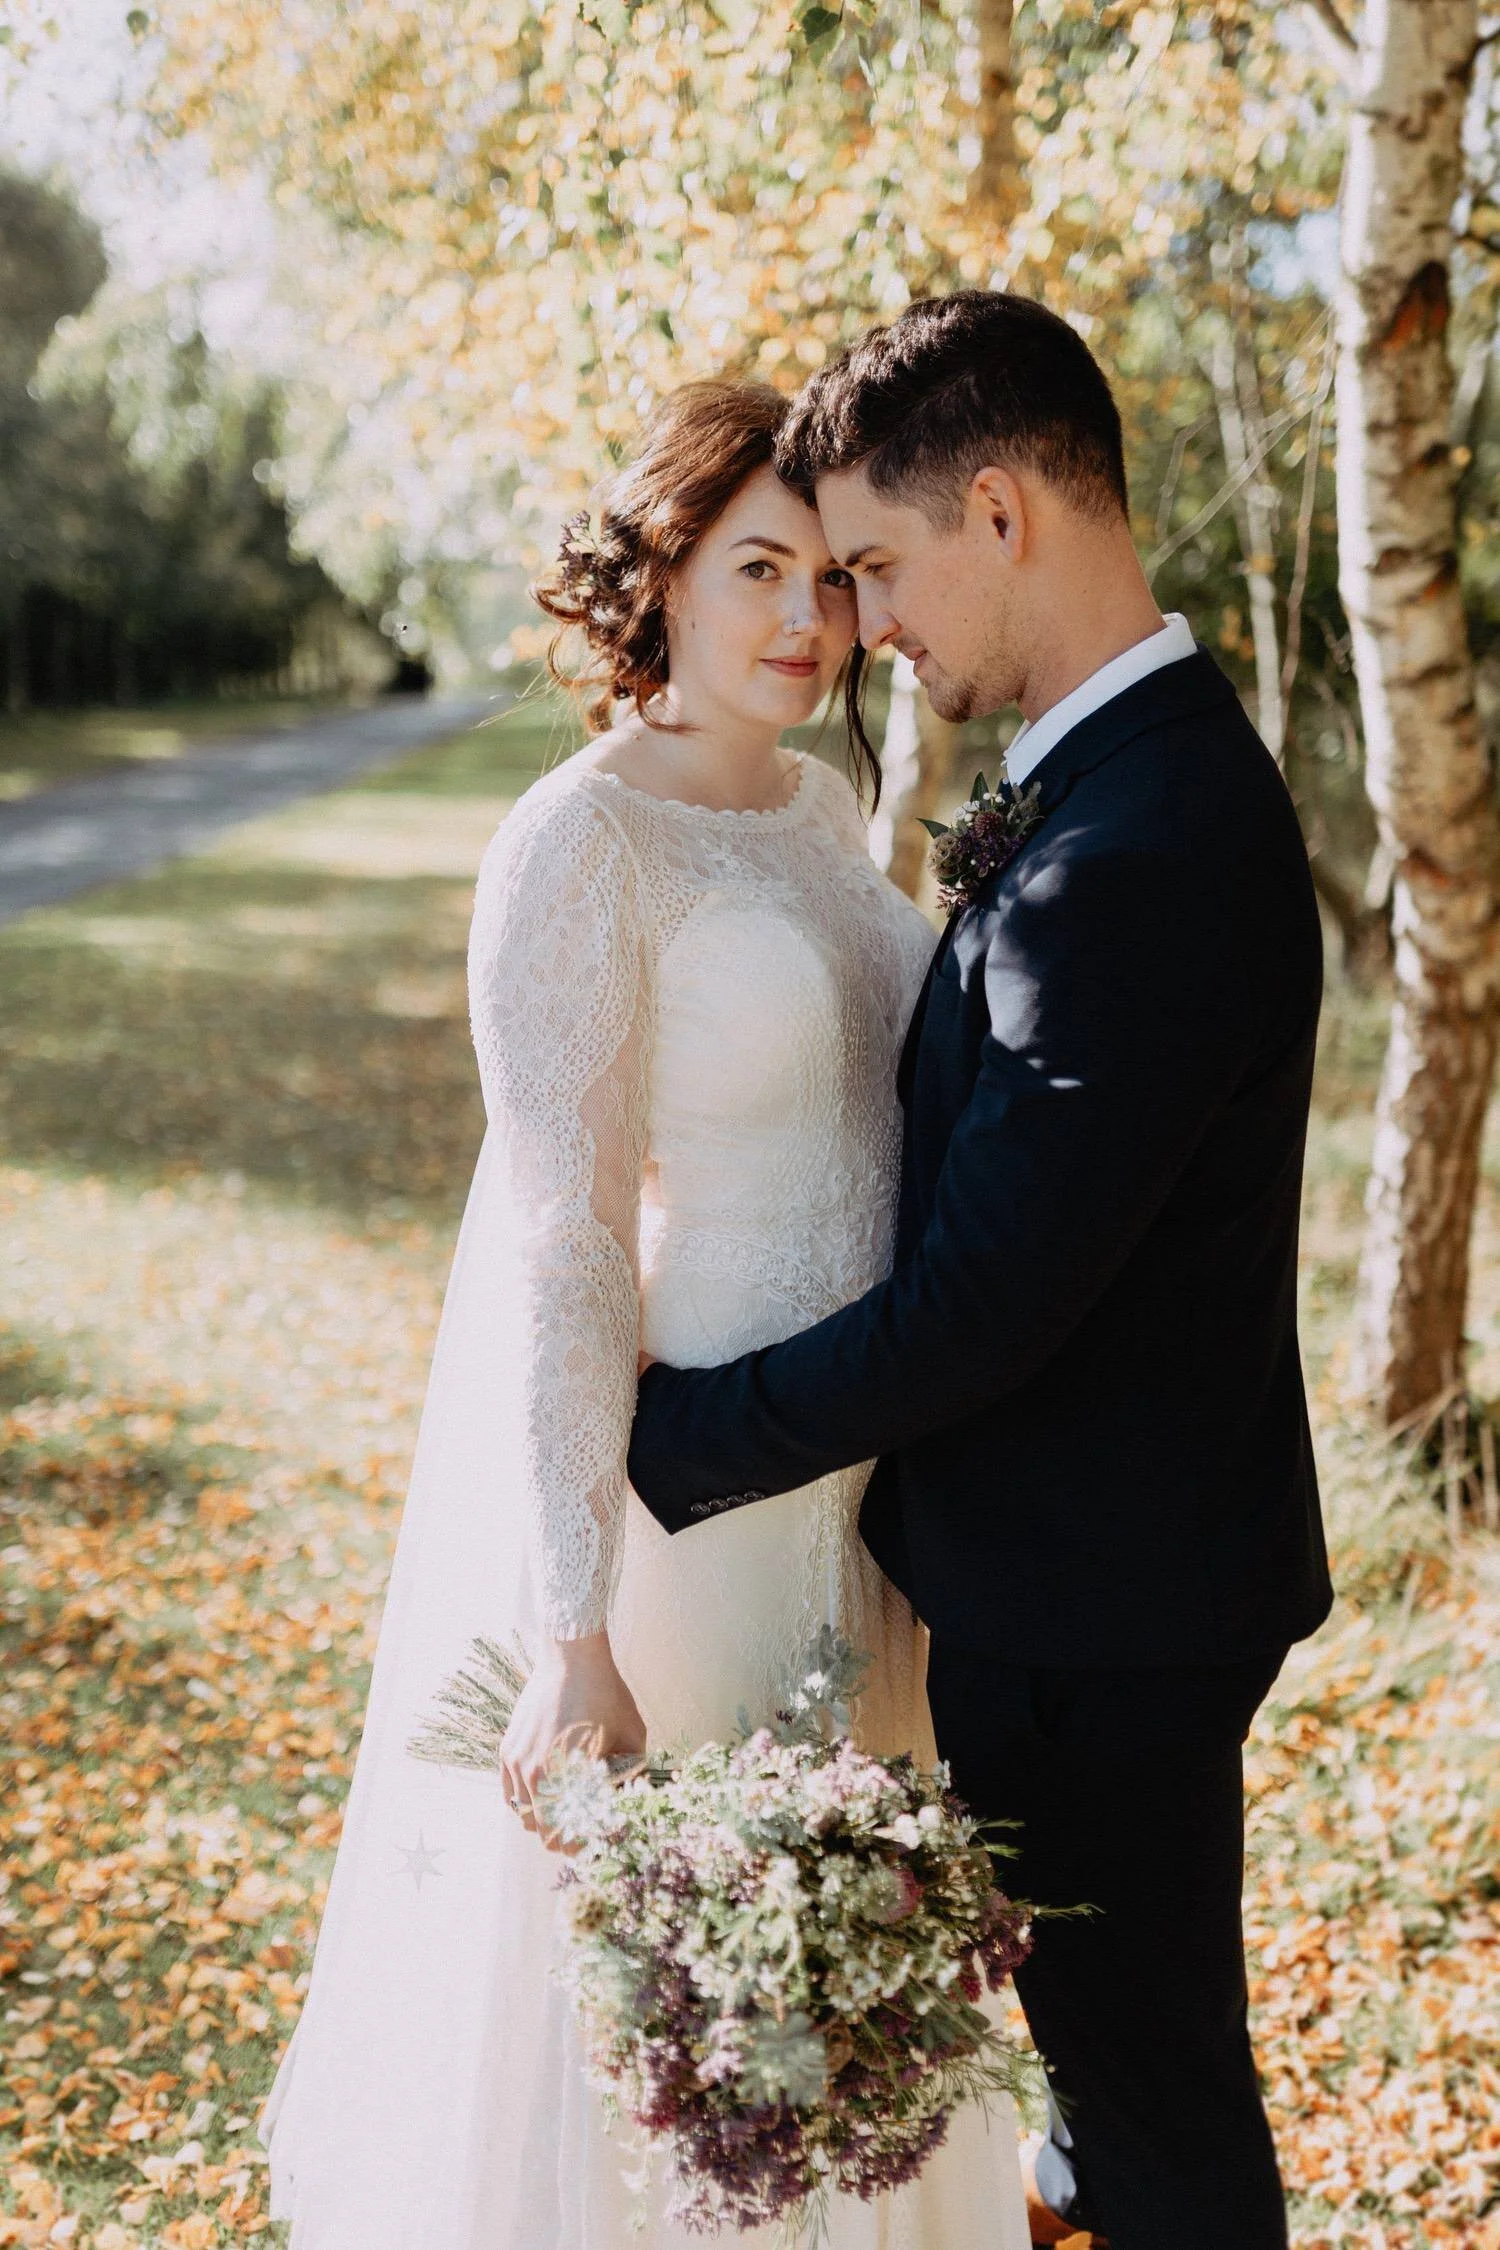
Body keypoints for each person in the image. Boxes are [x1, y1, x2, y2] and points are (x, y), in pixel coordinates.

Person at [258, 378, 1031, 2248]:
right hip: (691, 1495)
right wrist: (572, 1626)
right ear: (662, 576)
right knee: (701, 1994)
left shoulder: (825, 807)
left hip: (861, 1480)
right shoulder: (574, 842)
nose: (807, 619)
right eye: (757, 568)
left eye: (831, 579)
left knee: (843, 1982)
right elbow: (568, 1241)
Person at [628, 293, 1333, 2250]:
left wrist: (679, 1436)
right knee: (1115, 2093)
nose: (863, 623)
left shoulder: (1139, 845)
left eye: (873, 564)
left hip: (1102, 1609)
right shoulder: (1125, 774)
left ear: (1001, 510)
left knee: (1164, 2119)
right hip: (1101, 1568)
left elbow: (987, 1304)